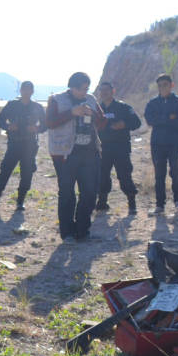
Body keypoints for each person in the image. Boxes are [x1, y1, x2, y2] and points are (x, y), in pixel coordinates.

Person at [46, 72, 107, 242]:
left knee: (89, 193)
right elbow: (49, 123)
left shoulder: (91, 99)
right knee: (66, 193)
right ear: (72, 87)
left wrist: (92, 114)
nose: (84, 92)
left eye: (86, 89)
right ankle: (67, 232)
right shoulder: (56, 99)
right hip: (65, 154)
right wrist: (72, 113)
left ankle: (82, 229)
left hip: (90, 153)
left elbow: (102, 123)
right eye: (81, 89)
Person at [0, 80, 47, 212]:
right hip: (14, 144)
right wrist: (8, 126)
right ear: (21, 91)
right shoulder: (12, 105)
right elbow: (0, 119)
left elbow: (45, 125)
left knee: (26, 174)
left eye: (29, 90)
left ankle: (20, 202)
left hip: (30, 145)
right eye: (24, 89)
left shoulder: (37, 107)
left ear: (32, 91)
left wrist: (36, 128)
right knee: (5, 172)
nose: (26, 92)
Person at [94, 81, 142, 214]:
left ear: (113, 91)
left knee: (124, 175)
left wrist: (124, 124)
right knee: (102, 176)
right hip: (102, 148)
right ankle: (102, 203)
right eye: (101, 90)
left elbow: (137, 123)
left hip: (121, 148)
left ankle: (132, 203)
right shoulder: (97, 109)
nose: (104, 93)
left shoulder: (123, 107)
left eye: (107, 90)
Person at [143, 74, 178, 214]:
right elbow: (149, 120)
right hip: (157, 144)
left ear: (171, 85)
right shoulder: (152, 103)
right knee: (159, 175)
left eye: (165, 85)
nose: (162, 88)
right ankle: (160, 205)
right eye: (160, 85)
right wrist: (168, 117)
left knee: (176, 171)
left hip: (175, 143)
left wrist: (160, 119)